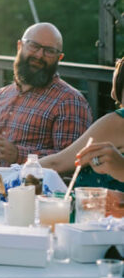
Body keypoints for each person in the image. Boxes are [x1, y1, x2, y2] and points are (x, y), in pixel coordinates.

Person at [0, 22, 92, 166]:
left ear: (59, 58)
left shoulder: (70, 101)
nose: (40, 55)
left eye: (50, 51)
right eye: (34, 46)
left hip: (32, 188)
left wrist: (18, 155)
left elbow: (72, 161)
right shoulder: (1, 95)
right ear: (20, 46)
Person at [41, 57, 124, 190]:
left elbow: (58, 163)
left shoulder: (118, 123)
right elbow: (57, 164)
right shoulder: (118, 122)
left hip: (92, 208)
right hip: (83, 206)